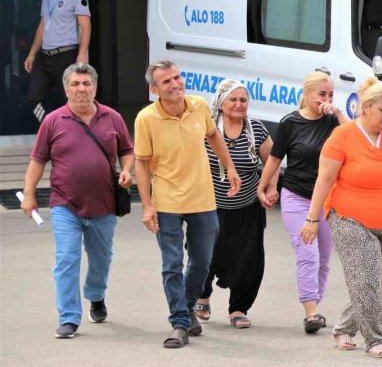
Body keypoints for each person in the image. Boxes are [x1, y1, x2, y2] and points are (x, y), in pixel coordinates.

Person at [302, 76, 382, 358]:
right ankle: (375, 340)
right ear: (365, 108)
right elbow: (325, 179)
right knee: (366, 279)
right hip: (348, 217)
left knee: (378, 282)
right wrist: (312, 218)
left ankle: (343, 327)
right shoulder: (342, 137)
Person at [20, 63, 133, 339]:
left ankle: (95, 295)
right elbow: (38, 160)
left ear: (94, 87)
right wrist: (30, 194)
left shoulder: (113, 118)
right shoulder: (53, 121)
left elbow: (127, 151)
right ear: (66, 88)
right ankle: (69, 318)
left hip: (104, 205)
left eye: (86, 84)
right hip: (65, 205)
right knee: (67, 258)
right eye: (75, 84)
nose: (81, 89)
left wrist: (127, 170)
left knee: (101, 259)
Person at [134, 59, 240, 349]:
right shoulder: (146, 118)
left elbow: (214, 135)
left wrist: (229, 167)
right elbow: (141, 164)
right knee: (172, 264)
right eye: (166, 81)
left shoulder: (199, 105)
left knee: (202, 261)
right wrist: (146, 205)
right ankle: (179, 322)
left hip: (203, 198)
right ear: (154, 89)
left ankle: (189, 305)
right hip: (166, 201)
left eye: (177, 77)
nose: (175, 84)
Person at [257, 71, 348, 333]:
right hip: (297, 195)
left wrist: (338, 113)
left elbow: (354, 137)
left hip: (328, 199)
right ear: (306, 95)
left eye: (330, 94)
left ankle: (314, 302)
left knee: (323, 257)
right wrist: (263, 187)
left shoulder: (333, 122)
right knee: (307, 253)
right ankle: (311, 312)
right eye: (321, 94)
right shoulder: (290, 123)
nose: (326, 99)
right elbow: (275, 158)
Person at [193, 79, 273, 329]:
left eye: (243, 100)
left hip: (247, 208)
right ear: (221, 102)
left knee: (248, 260)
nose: (239, 105)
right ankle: (202, 295)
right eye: (233, 99)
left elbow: (272, 163)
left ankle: (238, 308)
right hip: (209, 207)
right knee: (204, 255)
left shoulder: (256, 130)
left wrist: (270, 188)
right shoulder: (207, 129)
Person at [24, 0, 91, 122]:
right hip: (45, 56)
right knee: (33, 98)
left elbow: (86, 26)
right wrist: (32, 53)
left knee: (71, 99)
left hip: (66, 55)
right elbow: (42, 25)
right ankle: (52, 128)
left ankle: (75, 136)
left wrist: (82, 54)